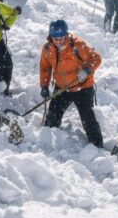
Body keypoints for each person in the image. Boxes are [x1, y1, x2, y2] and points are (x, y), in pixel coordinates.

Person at [39, 20, 104, 148]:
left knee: (88, 119)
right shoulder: (47, 48)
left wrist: (86, 70)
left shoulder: (77, 45)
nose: (57, 41)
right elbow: (45, 68)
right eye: (54, 38)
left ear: (66, 35)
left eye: (60, 38)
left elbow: (96, 58)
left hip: (83, 87)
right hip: (62, 89)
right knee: (52, 119)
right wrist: (44, 86)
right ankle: (48, 145)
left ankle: (97, 147)